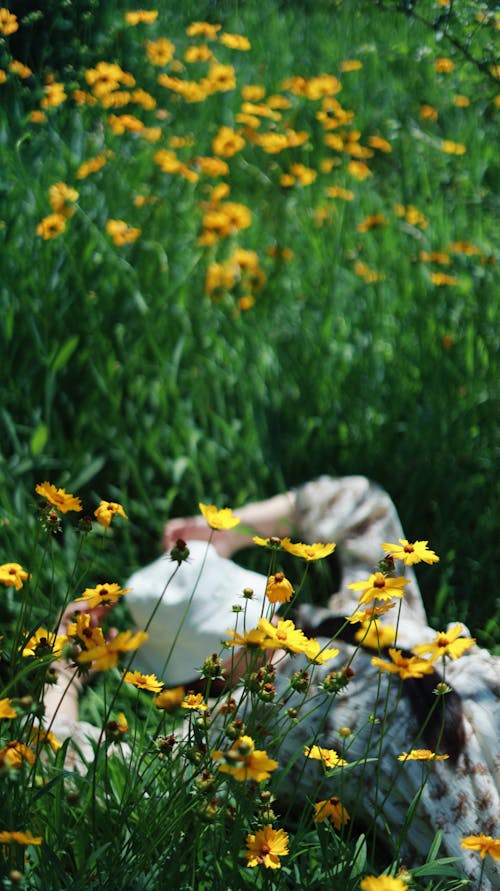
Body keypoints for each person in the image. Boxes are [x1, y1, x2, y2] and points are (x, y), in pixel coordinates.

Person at [45, 476, 499, 887]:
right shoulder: (367, 606)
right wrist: (232, 529)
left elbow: (76, 766)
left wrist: (61, 669)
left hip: (475, 838)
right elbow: (362, 500)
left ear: (194, 679)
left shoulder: (244, 723)